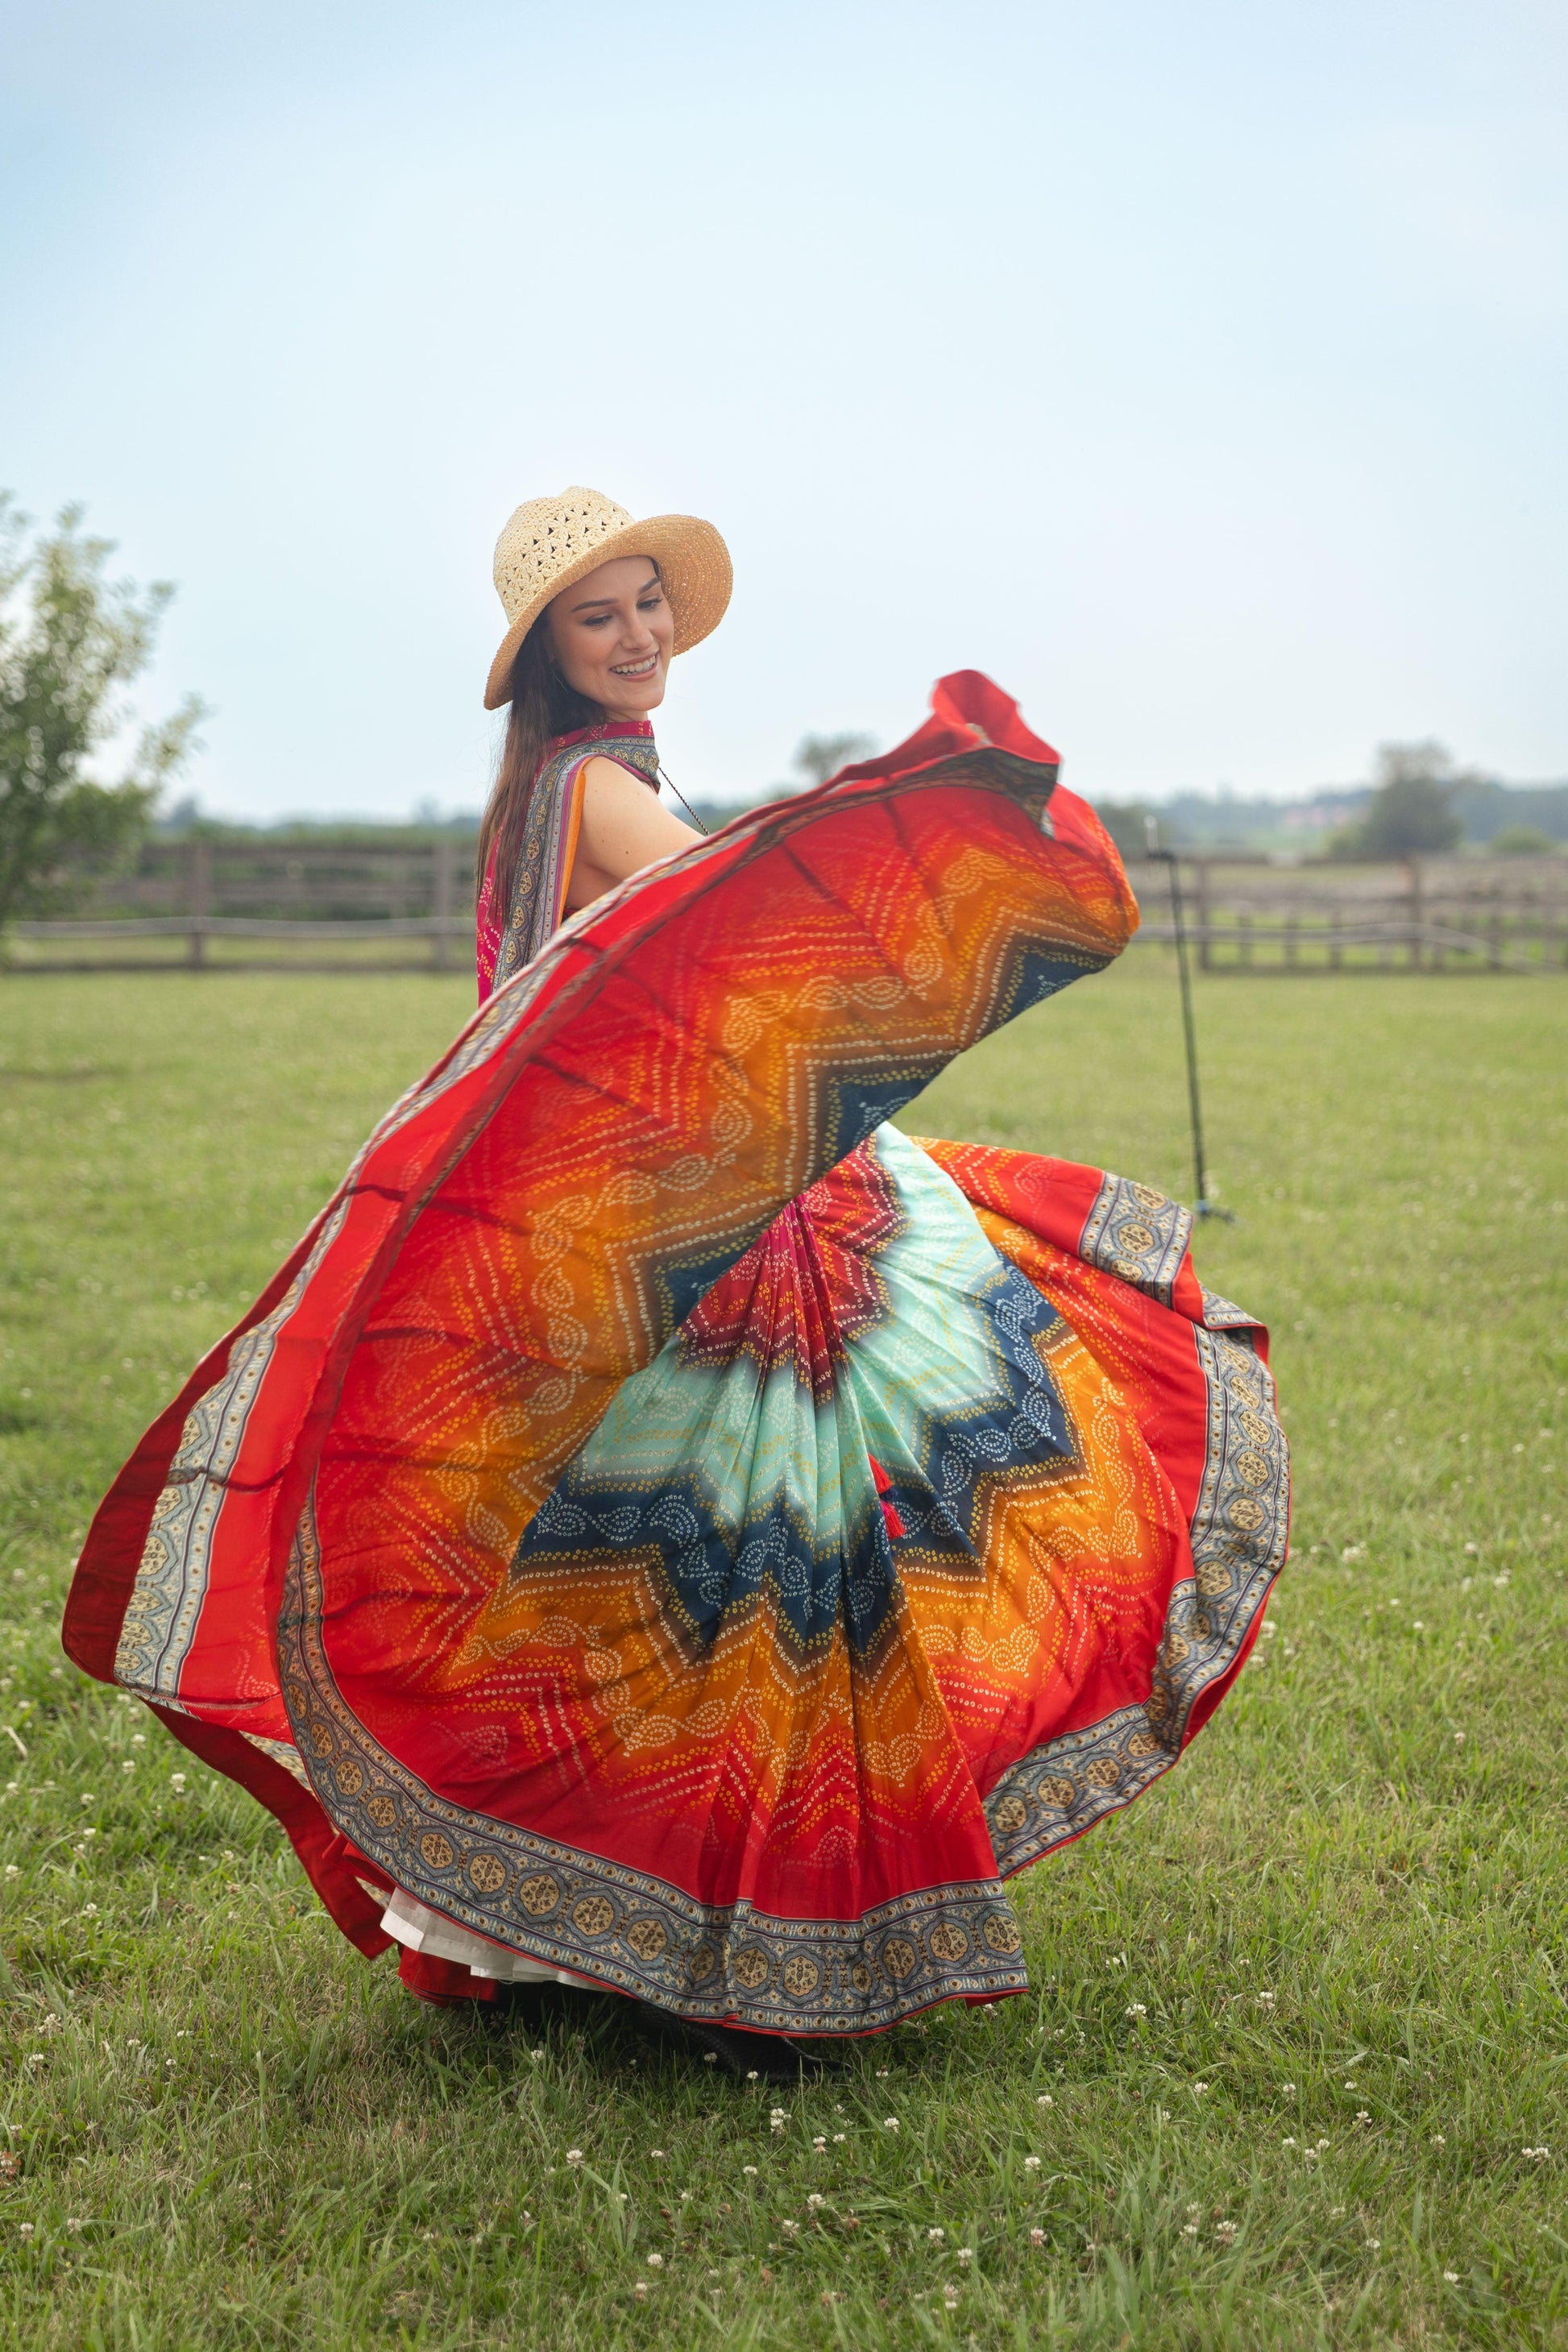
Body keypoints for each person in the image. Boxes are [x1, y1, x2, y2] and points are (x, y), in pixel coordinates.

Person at [64, 487, 1288, 2080]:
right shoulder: (595, 788)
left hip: (656, 1213)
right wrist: (917, 829)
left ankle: (582, 1924)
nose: (637, 633)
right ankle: (747, 1932)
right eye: (601, 616)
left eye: (648, 603)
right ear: (550, 654)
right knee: (760, 1564)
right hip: (683, 1232)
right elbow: (738, 921)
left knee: (632, 1570)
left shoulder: (563, 789)